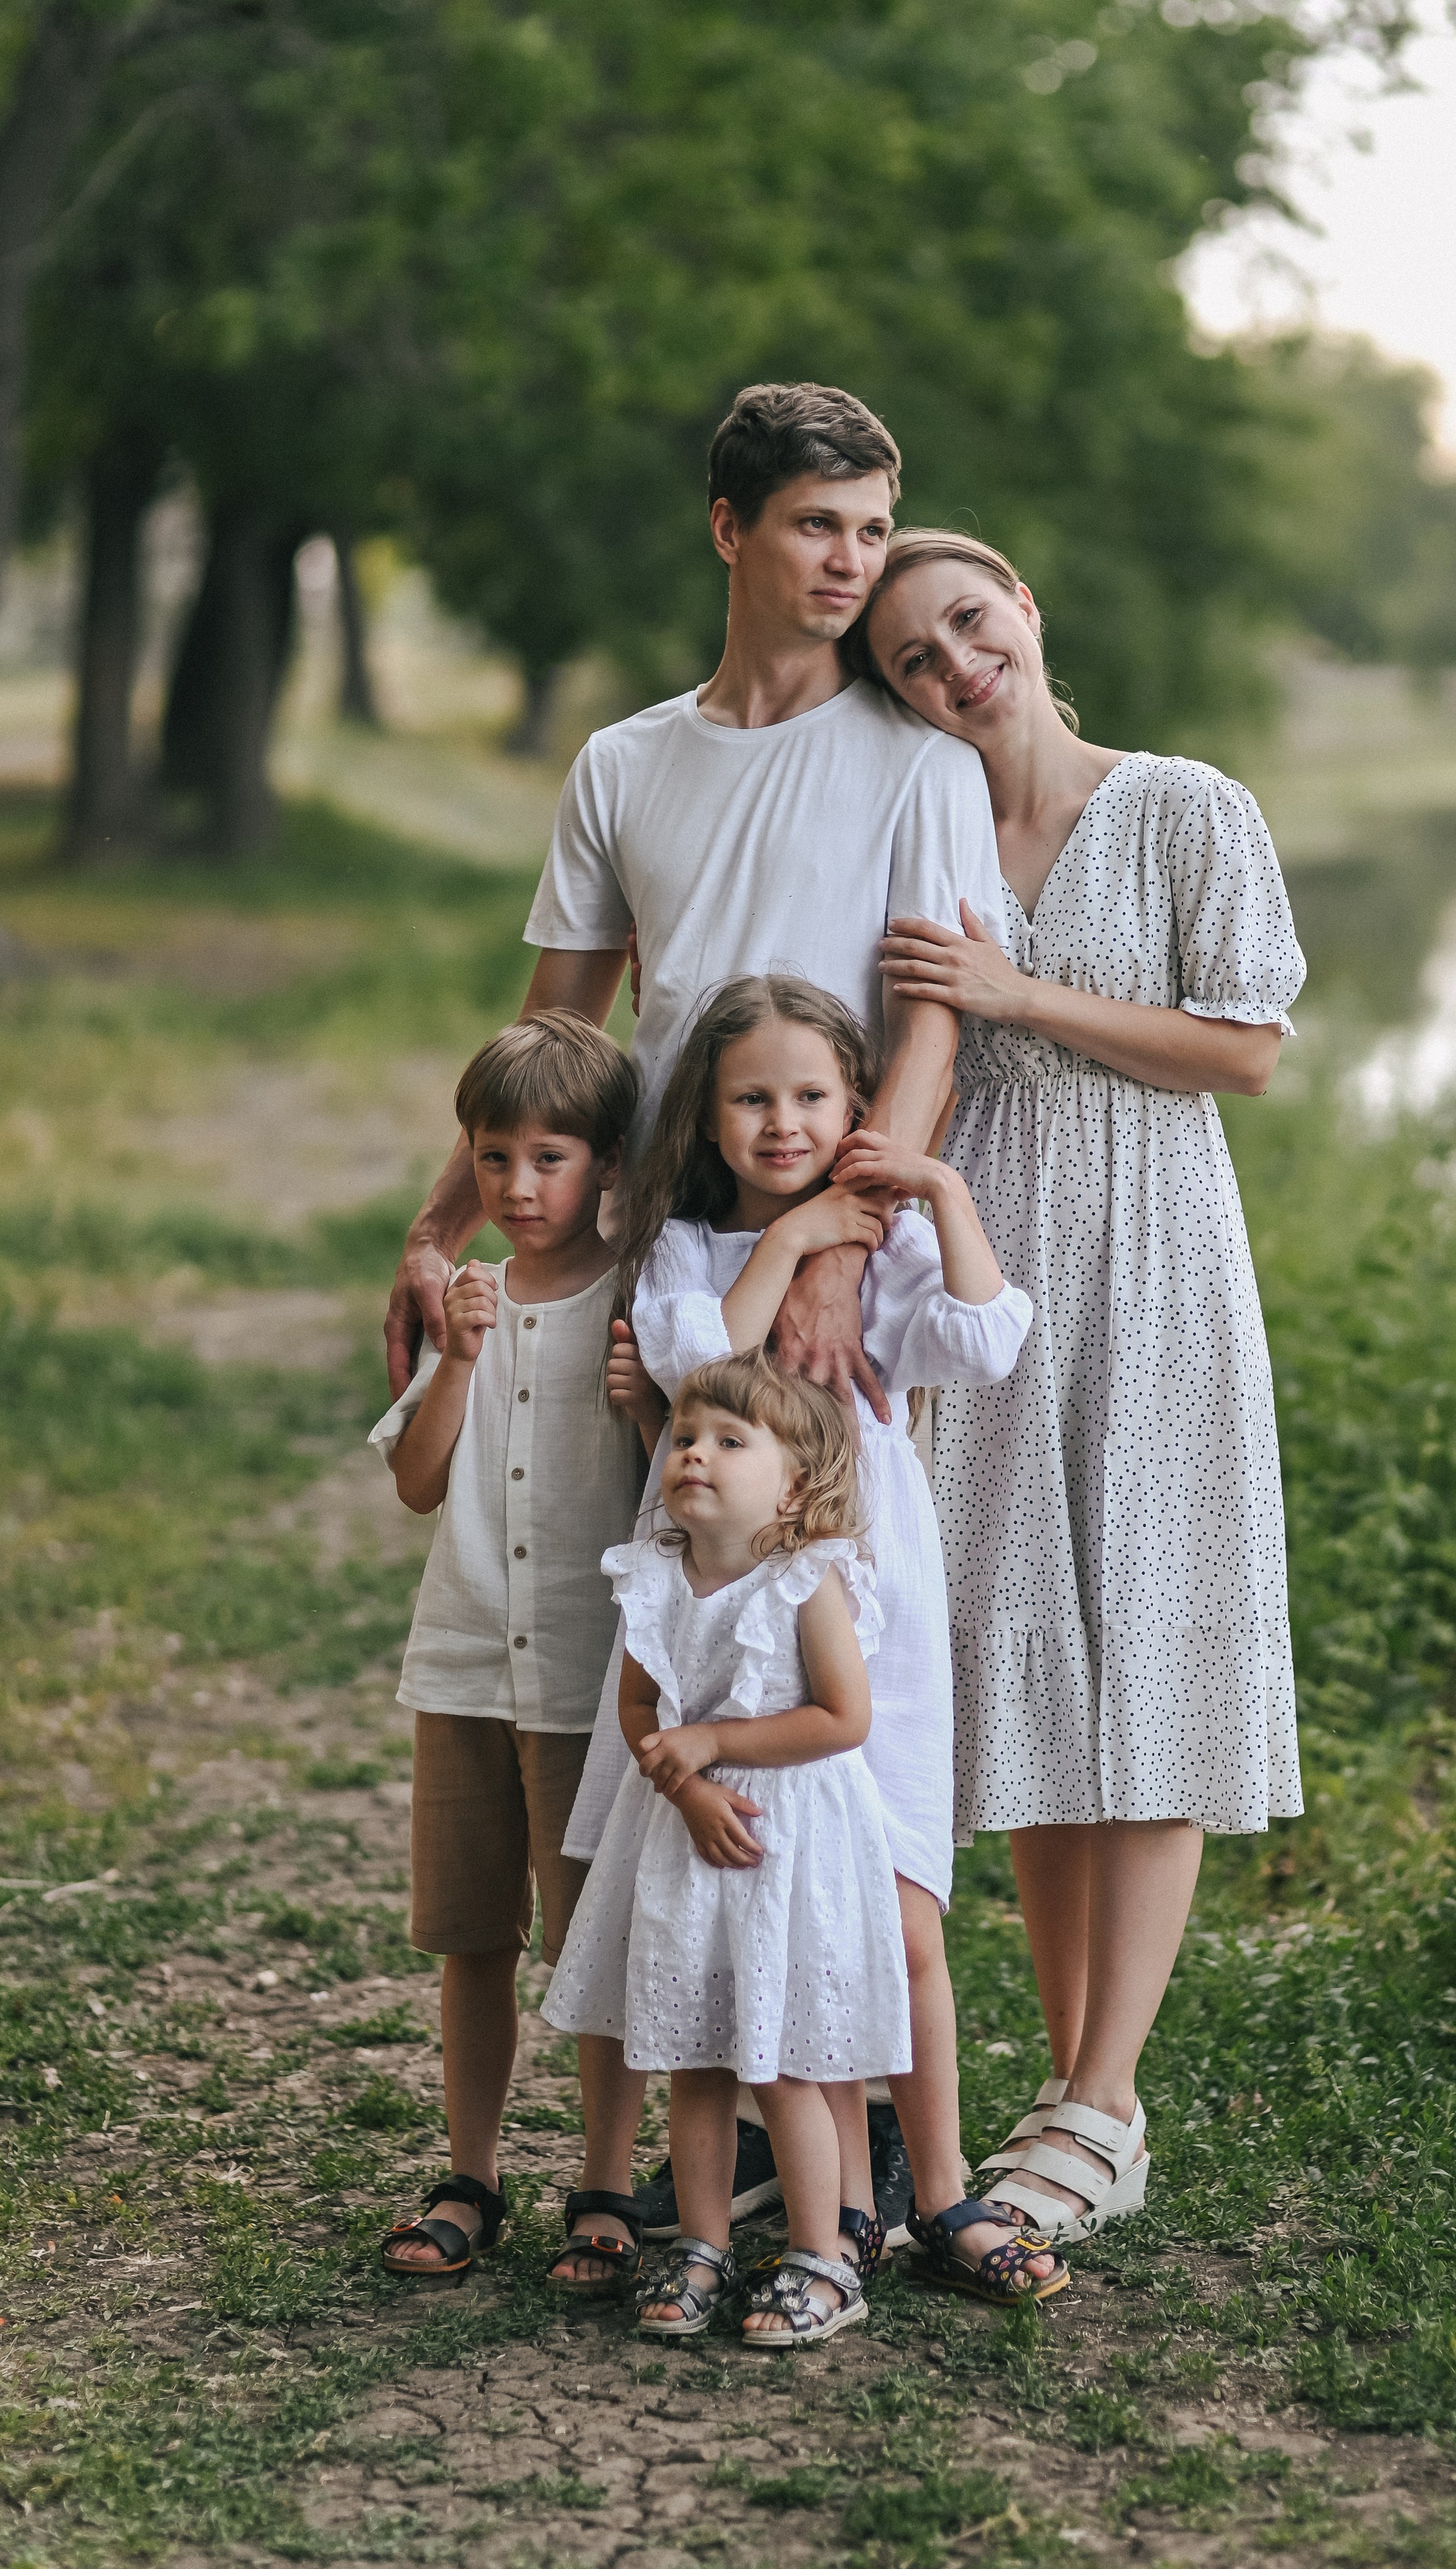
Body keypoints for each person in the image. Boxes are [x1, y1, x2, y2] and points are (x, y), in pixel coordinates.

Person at [381, 381, 1004, 2253]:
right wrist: (429, 1239)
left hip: (839, 1295)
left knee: (844, 1703)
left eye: (877, 529)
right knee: (656, 1669)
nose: (851, 563)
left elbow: (930, 1032)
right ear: (730, 529)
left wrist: (832, 1245)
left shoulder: (920, 764)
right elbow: (562, 1045)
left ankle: (913, 2167)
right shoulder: (627, 766)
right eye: (819, 525)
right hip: (666, 1285)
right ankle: (672, 2137)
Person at [847, 529, 1307, 2254]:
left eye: (970, 624)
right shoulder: (929, 830)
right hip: (988, 1275)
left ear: (1026, 607)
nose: (957, 668)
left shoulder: (1185, 803)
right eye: (913, 660)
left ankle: (1106, 2095)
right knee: (1017, 1659)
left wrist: (1016, 988)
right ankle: (1060, 2091)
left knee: (1149, 1632)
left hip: (1156, 1256)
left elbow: (1245, 1048)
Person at [568, 974, 1063, 2305]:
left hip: (867, 1601)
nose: (780, 1122)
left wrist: (937, 1194)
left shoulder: (889, 1243)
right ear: (710, 1113)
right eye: (751, 1097)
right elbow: (696, 1366)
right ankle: (817, 2212)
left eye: (809, 1096)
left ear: (853, 1107)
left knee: (896, 1919)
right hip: (721, 1615)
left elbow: (986, 1339)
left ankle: (945, 2192)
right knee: (751, 1908)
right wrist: (795, 1244)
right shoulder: (684, 1248)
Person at [544, 1354, 910, 2349]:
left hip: (782, 1844)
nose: (694, 1452)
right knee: (694, 2059)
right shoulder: (654, 1578)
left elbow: (842, 1719)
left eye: (729, 1441)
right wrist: (688, 1787)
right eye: (688, 1437)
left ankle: (820, 2258)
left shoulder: (806, 1582)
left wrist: (717, 1747)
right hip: (686, 1835)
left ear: (793, 1485)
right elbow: (635, 1708)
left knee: (783, 2059)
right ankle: (701, 2245)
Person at [371, 1011, 647, 2287]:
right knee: (471, 1932)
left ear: (605, 1163)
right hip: (470, 1659)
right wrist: (459, 1361)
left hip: (592, 1675)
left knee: (591, 1939)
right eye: (493, 1160)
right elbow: (419, 1486)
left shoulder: (640, 1303)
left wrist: (650, 1403)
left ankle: (604, 2180)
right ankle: (470, 2170)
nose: (518, 1188)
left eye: (550, 1158)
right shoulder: (459, 1303)